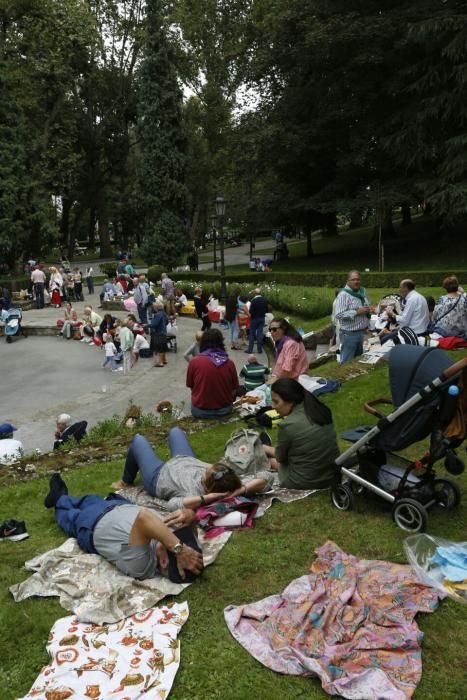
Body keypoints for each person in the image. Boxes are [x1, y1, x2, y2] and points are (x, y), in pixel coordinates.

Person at [43, 472, 204, 582]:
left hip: (91, 523)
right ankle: (67, 497)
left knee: (68, 515)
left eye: (179, 544)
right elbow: (191, 530)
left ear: (163, 561)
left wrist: (180, 550)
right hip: (118, 505)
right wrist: (190, 515)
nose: (179, 539)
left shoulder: (141, 564)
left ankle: (59, 498)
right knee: (90, 498)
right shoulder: (173, 545)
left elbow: (144, 518)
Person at [111, 428, 274, 510]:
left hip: (158, 475)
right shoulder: (230, 479)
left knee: (138, 441)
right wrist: (241, 490)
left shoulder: (194, 494)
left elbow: (173, 505)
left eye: (205, 475)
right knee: (175, 431)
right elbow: (267, 476)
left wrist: (206, 499)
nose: (205, 471)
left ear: (206, 487)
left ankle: (125, 481)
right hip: (184, 459)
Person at [263, 378, 339, 490]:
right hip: (332, 474)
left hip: (305, 481)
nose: (273, 407)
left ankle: (263, 449)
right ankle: (265, 448)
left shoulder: (287, 425)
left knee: (268, 460)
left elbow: (281, 458)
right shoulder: (321, 410)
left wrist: (268, 449)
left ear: (290, 400)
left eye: (276, 401)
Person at [186, 328, 239, 418]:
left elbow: (191, 387)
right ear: (221, 343)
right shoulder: (229, 363)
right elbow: (234, 389)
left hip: (200, 410)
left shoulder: (194, 362)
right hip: (224, 409)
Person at [334, 270, 374, 363]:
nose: (356, 282)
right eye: (353, 280)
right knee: (347, 362)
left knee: (358, 360)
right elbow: (339, 314)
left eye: (358, 279)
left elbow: (366, 305)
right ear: (348, 281)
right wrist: (356, 312)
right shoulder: (343, 295)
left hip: (360, 332)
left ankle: (355, 377)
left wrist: (368, 309)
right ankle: (343, 377)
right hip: (349, 334)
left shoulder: (362, 291)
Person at [247, 288, 270, 354]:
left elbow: (250, 311)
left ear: (255, 293)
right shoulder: (265, 300)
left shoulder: (253, 300)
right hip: (262, 318)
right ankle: (259, 350)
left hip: (254, 318)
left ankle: (250, 350)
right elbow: (267, 310)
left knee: (252, 334)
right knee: (260, 333)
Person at [150, 301, 168, 367]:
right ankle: (164, 360)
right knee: (163, 347)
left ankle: (160, 362)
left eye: (154, 307)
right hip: (163, 332)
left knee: (159, 348)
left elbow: (154, 324)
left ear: (156, 307)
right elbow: (167, 322)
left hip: (158, 333)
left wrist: (147, 325)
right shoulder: (164, 313)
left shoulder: (157, 314)